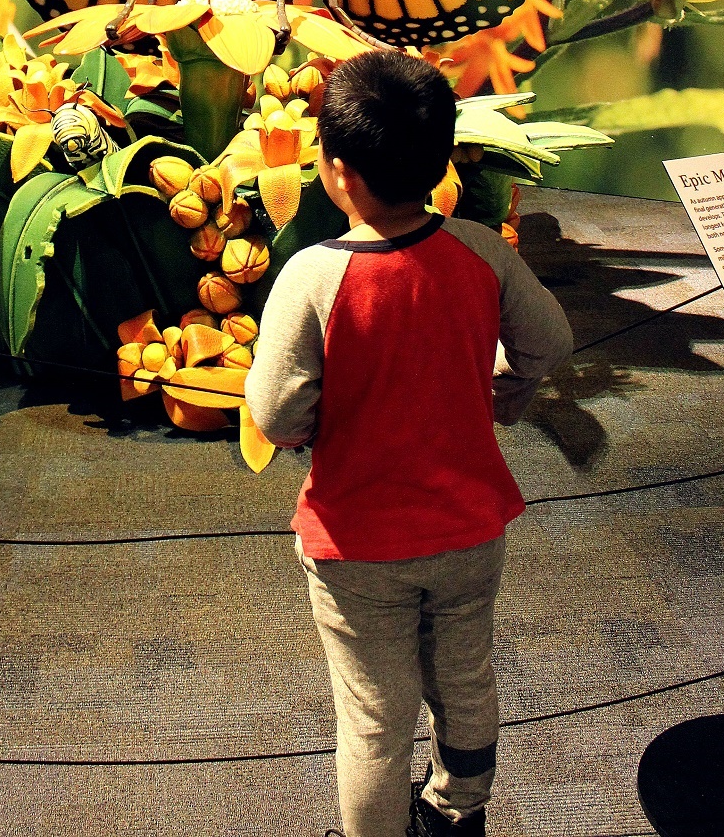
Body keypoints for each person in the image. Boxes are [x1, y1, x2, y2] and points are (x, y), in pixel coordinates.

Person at [245, 50, 573, 837]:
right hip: (469, 530)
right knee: (466, 680)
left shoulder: (311, 277)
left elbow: (275, 414)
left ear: (337, 172)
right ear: (443, 160)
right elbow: (551, 340)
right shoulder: (483, 251)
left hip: (357, 544)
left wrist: (314, 425)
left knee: (373, 718)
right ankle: (457, 814)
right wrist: (509, 393)